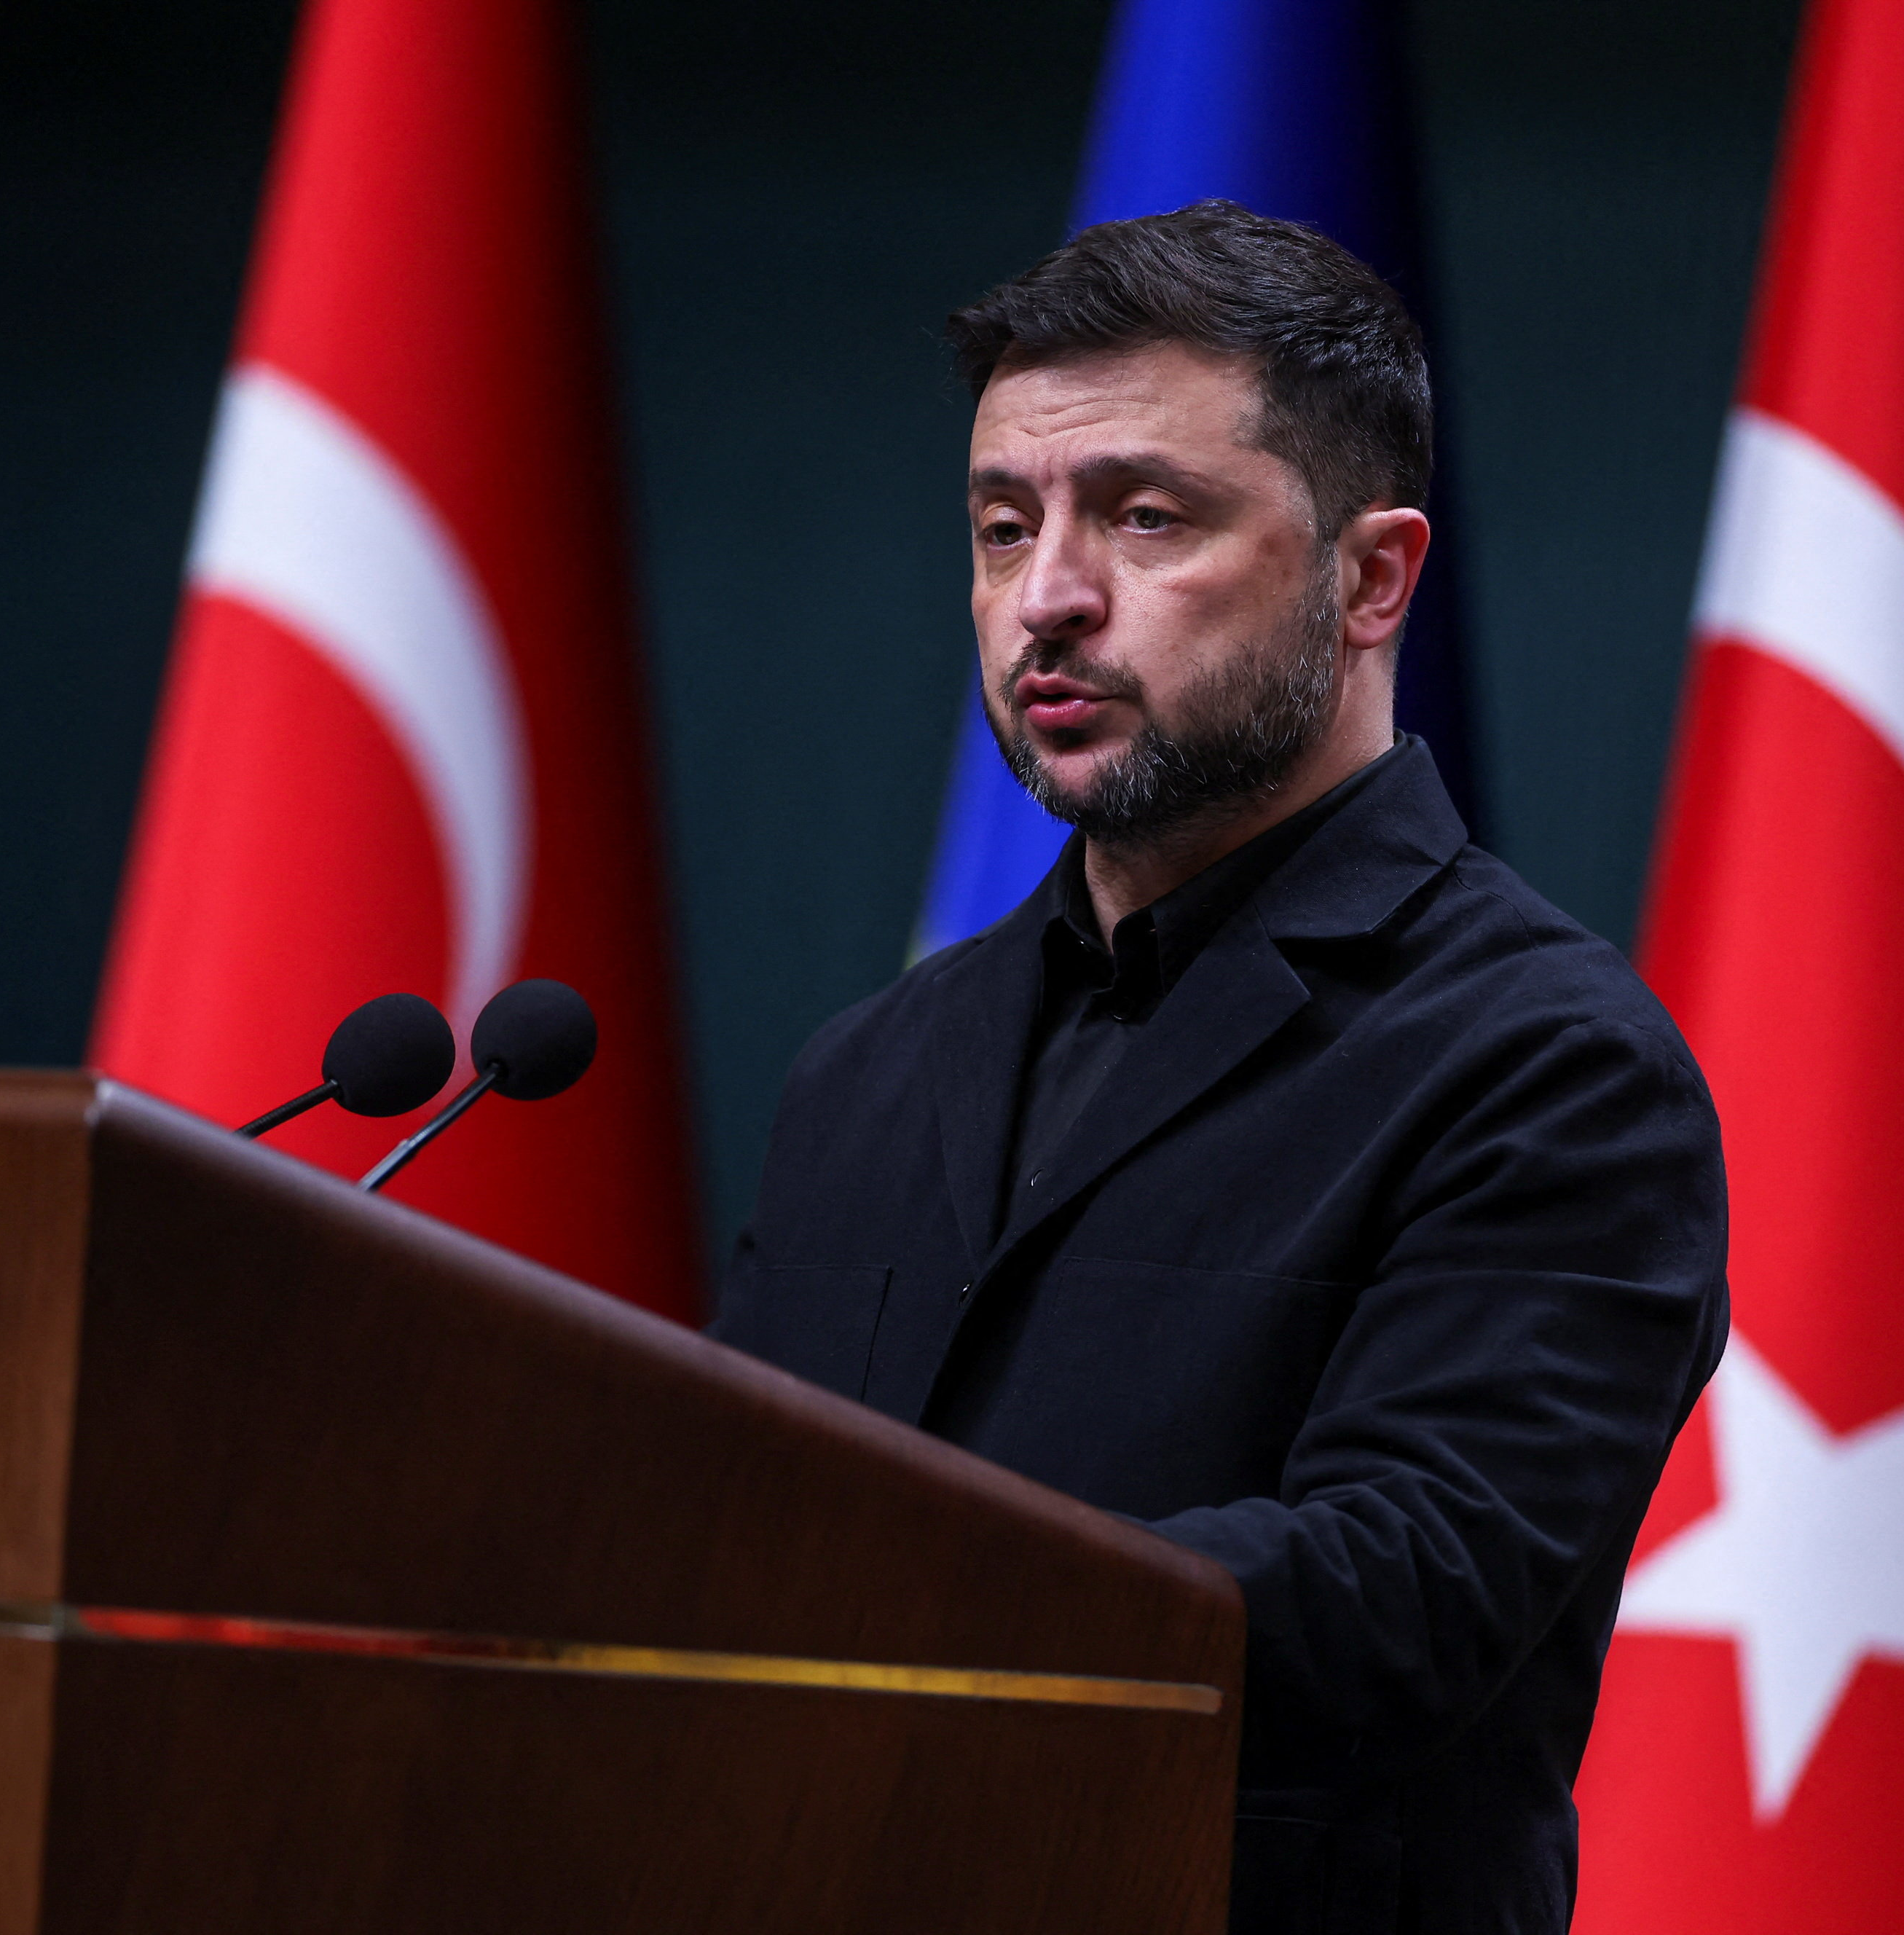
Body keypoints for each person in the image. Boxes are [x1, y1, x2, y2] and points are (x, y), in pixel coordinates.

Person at [710, 200, 1728, 1935]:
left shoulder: (1549, 1064)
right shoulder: (872, 1066)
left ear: (1372, 575)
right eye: (1002, 524)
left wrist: (880, 1589)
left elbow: (1398, 1598)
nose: (1047, 599)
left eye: (1146, 517)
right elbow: (715, 1511)